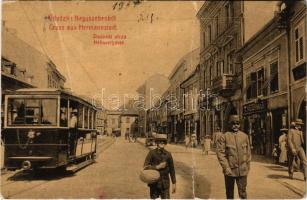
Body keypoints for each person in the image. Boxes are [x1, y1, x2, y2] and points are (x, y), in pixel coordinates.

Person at [216, 115, 251, 199]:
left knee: (243, 193)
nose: (235, 125)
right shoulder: (224, 137)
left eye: (237, 123)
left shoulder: (244, 136)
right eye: (233, 123)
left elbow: (248, 154)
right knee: (229, 194)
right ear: (229, 124)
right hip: (230, 171)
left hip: (242, 171)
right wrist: (226, 168)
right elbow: (221, 154)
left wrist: (247, 166)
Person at [144, 133, 176, 199]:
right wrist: (157, 167)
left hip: (165, 184)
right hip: (154, 183)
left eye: (164, 141)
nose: (162, 143)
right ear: (157, 142)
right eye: (160, 141)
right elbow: (145, 167)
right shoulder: (152, 153)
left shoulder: (168, 154)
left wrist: (174, 183)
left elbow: (172, 170)